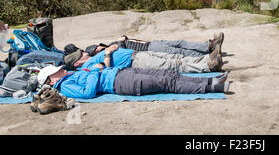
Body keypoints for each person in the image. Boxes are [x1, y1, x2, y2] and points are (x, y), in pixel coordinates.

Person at [36, 64, 230, 100]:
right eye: (57, 71)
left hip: (121, 72)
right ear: (51, 79)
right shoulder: (66, 87)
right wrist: (93, 72)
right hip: (120, 84)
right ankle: (212, 87)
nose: (61, 70)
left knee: (169, 74)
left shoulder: (68, 76)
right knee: (167, 83)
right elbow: (87, 93)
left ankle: (211, 79)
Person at [64, 33, 225, 73]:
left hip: (140, 53)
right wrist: (107, 52)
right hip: (137, 60)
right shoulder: (89, 64)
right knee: (173, 62)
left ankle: (207, 55)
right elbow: (105, 71)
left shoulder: (98, 53)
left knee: (176, 55)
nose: (84, 53)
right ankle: (208, 66)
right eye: (81, 54)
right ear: (77, 62)